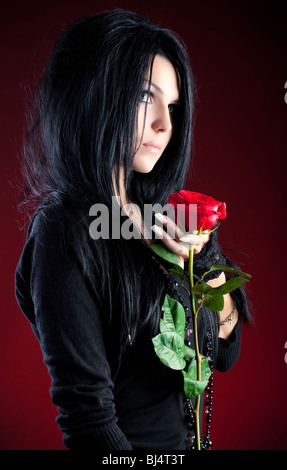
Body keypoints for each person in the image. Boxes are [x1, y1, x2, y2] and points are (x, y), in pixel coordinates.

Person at [15, 10, 250, 451]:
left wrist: (203, 261)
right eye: (146, 96)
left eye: (174, 107)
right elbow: (88, 418)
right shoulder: (63, 232)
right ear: (94, 94)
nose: (166, 124)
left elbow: (224, 351)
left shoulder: (168, 219)